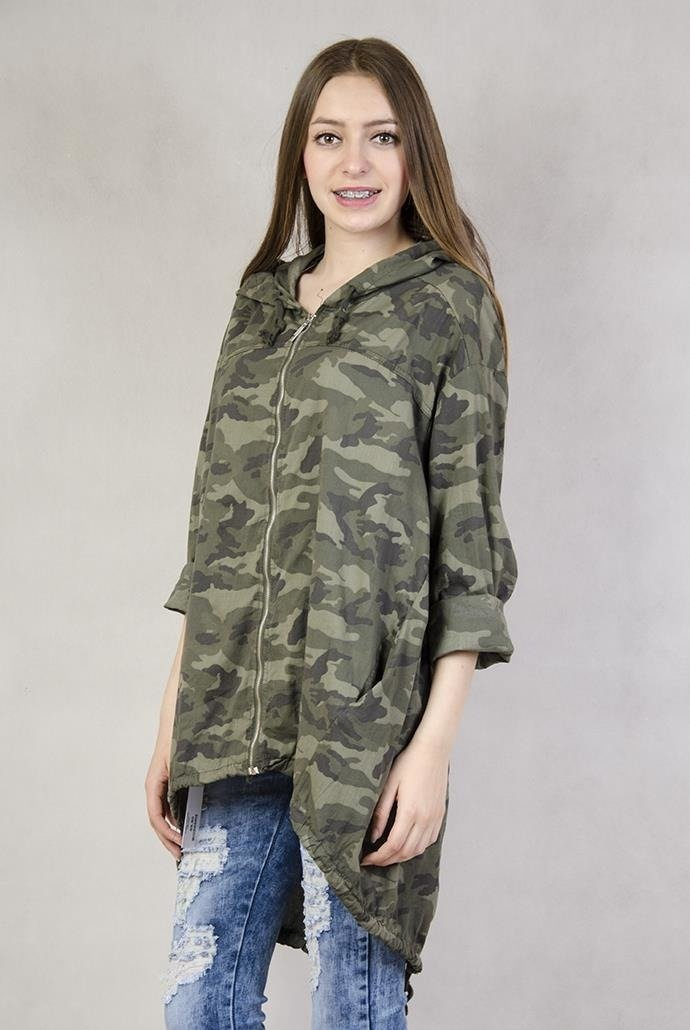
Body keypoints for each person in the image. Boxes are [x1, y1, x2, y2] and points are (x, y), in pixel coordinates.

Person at [145, 35, 518, 1030]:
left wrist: (431, 749)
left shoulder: (448, 305)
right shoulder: (260, 306)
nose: (355, 163)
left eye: (382, 137)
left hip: (366, 724)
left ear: (415, 152)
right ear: (299, 156)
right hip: (232, 714)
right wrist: (172, 719)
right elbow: (216, 536)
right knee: (200, 1004)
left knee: (352, 1009)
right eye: (329, 137)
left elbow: (469, 548)